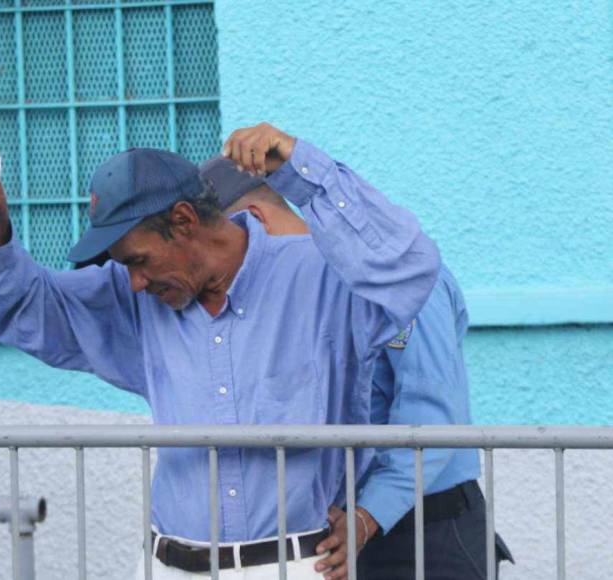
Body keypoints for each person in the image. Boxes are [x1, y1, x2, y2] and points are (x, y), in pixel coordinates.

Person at [0, 122, 441, 579]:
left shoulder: (320, 278)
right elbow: (31, 311)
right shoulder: (132, 299)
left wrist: (301, 170)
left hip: (290, 567)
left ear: (184, 220)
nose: (136, 282)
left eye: (139, 261)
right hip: (168, 564)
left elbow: (410, 268)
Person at [200, 156, 515, 579]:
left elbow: (435, 417)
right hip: (342, 532)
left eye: (214, 251)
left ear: (254, 219)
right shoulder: (279, 301)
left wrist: (367, 517)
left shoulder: (394, 278)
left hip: (426, 530)